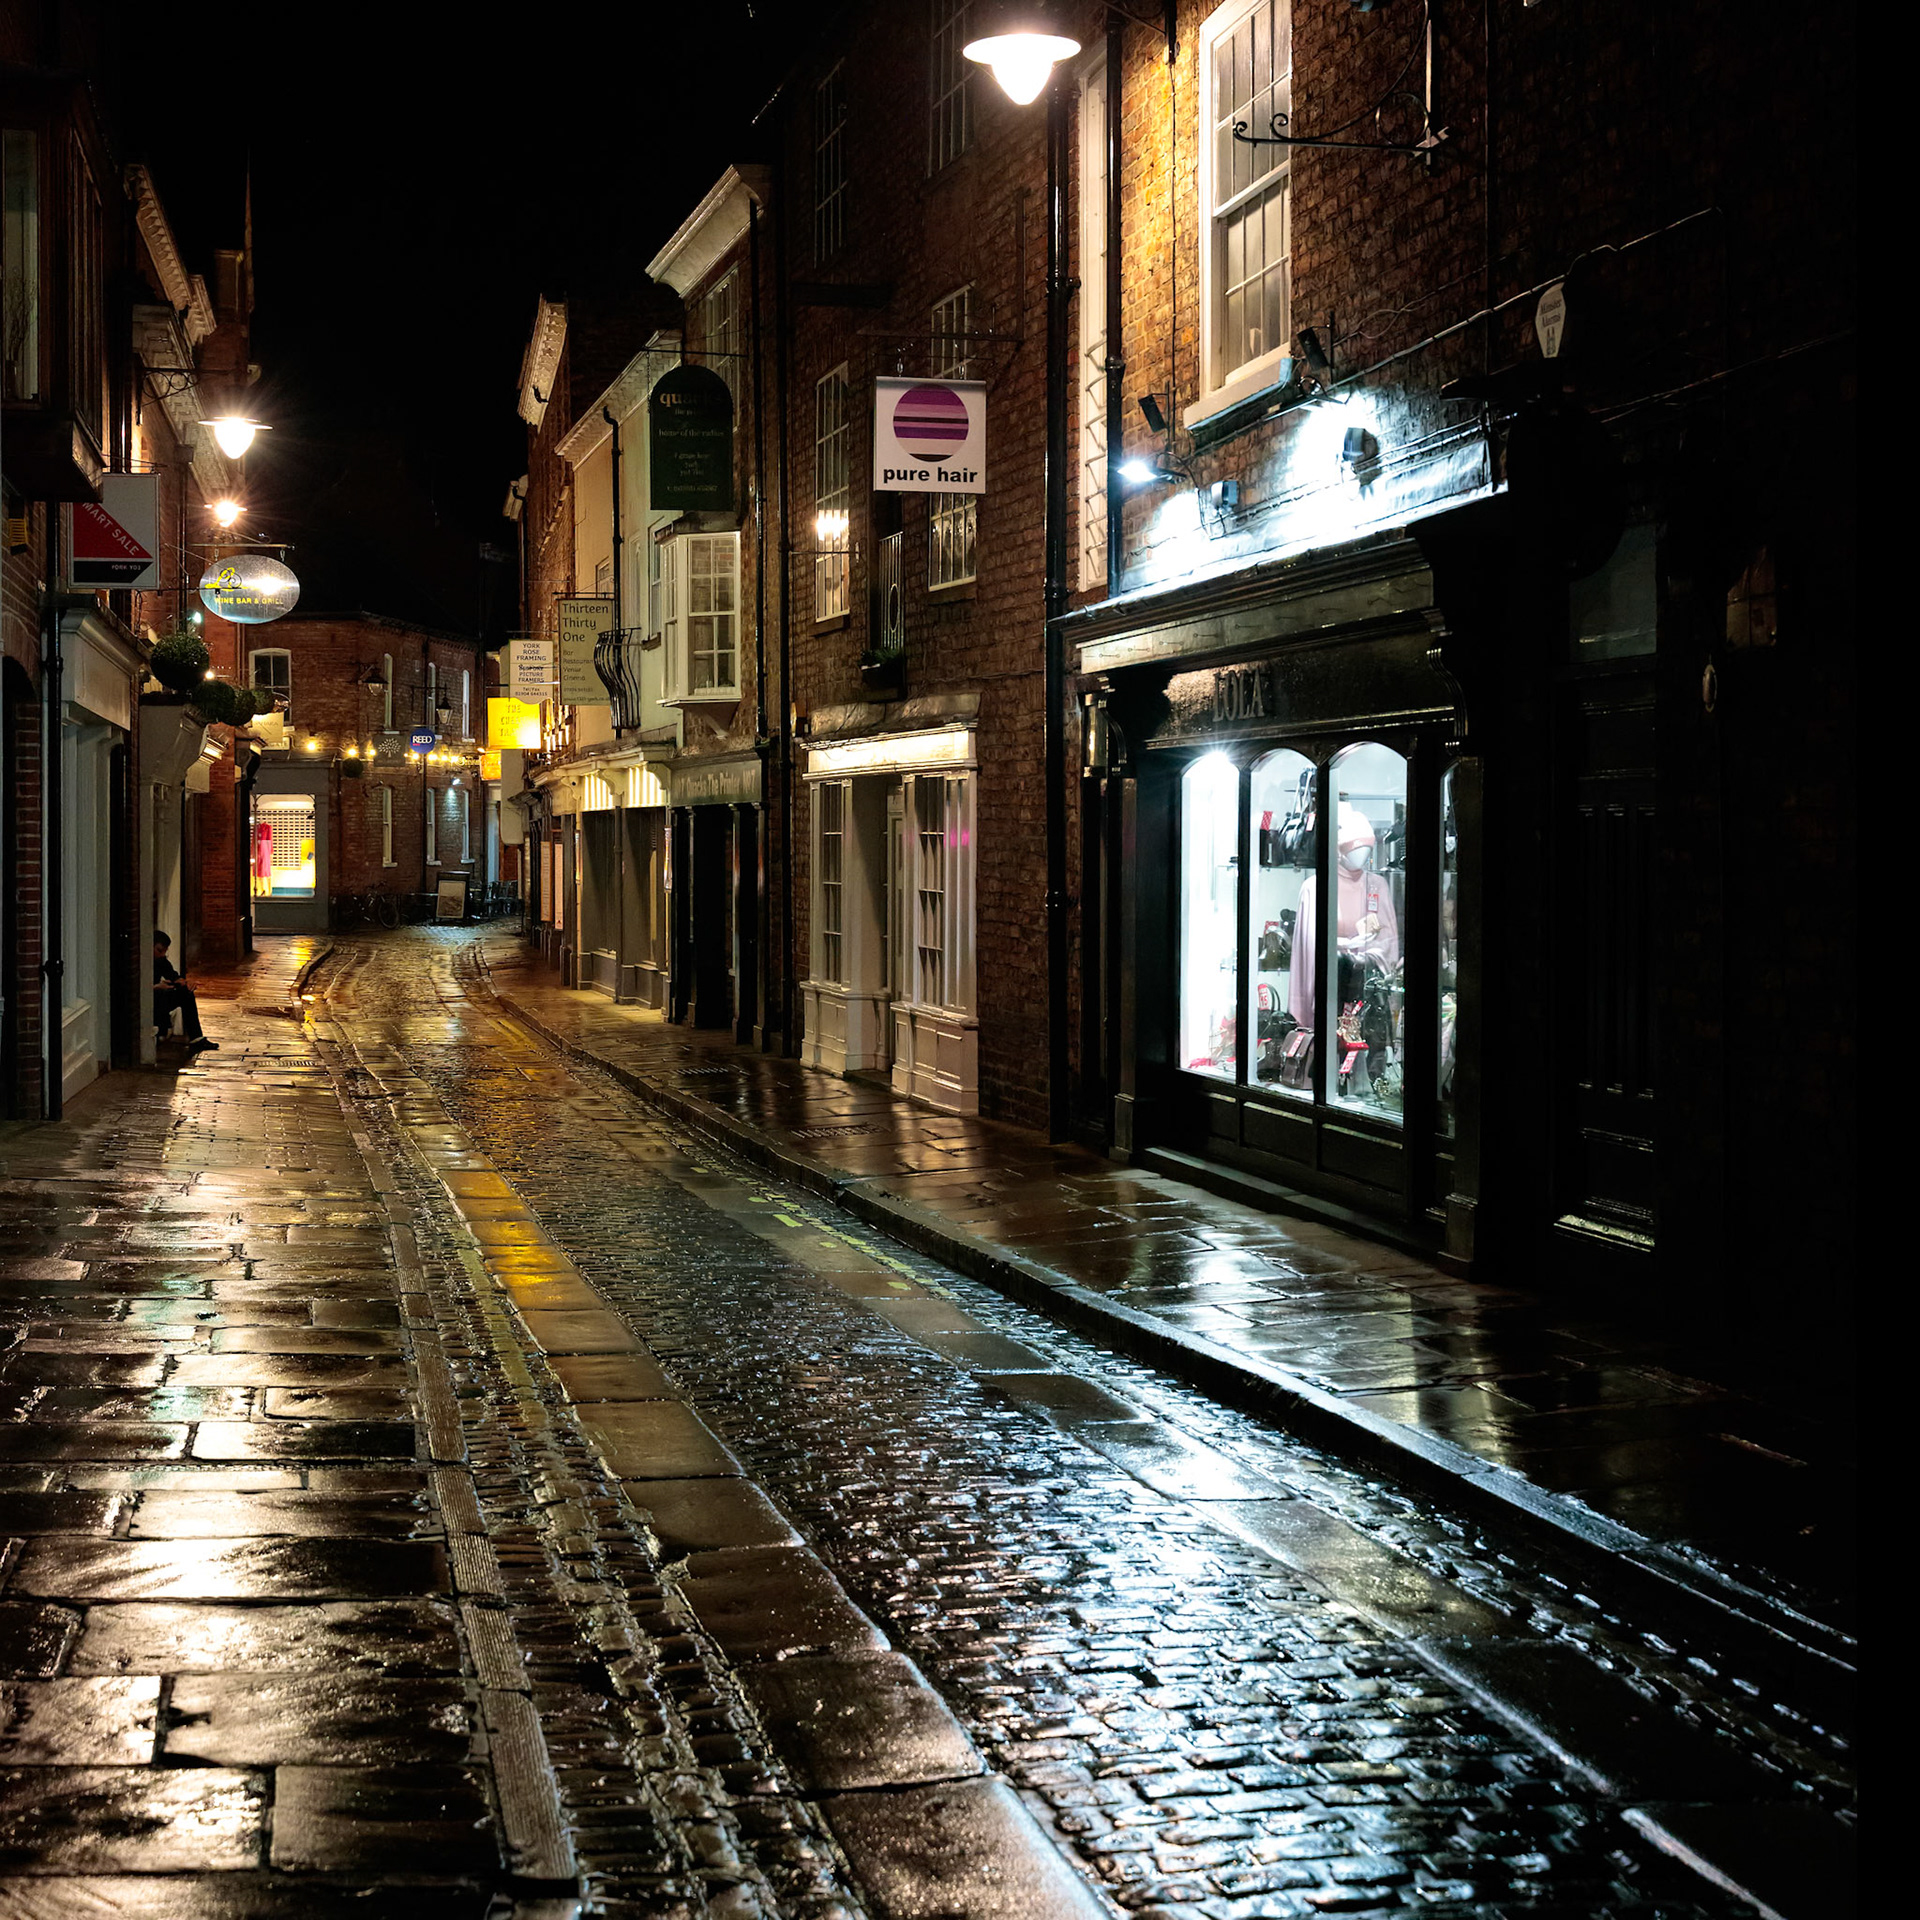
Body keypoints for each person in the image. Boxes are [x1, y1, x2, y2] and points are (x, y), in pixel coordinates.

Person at [153, 932, 217, 1053]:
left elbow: (175, 977)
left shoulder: (161, 961)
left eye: (164, 951)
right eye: (159, 950)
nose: (162, 955)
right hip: (148, 998)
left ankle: (196, 1038)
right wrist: (156, 987)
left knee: (186, 994)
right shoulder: (138, 961)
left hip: (159, 995)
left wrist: (186, 983)